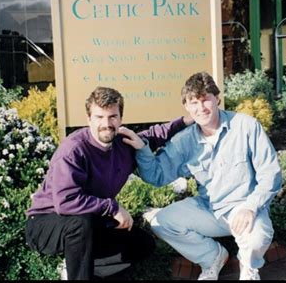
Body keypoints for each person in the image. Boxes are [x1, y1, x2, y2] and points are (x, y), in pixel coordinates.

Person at [123, 72, 282, 280]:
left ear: (217, 99)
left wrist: (251, 207)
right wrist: (142, 148)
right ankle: (212, 258)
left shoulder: (246, 126)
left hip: (243, 208)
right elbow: (157, 175)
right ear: (187, 107)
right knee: (161, 222)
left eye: (206, 99)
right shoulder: (184, 141)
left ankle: (248, 268)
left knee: (258, 238)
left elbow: (271, 173)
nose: (201, 107)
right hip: (208, 209)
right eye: (193, 102)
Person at [25, 86, 192, 280]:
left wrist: (190, 119)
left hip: (90, 220)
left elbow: (156, 134)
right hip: (46, 222)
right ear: (89, 119)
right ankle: (78, 273)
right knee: (80, 223)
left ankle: (77, 265)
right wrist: (112, 208)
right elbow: (65, 202)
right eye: (99, 117)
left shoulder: (123, 143)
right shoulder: (73, 150)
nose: (106, 124)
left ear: (120, 118)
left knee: (142, 244)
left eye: (112, 116)